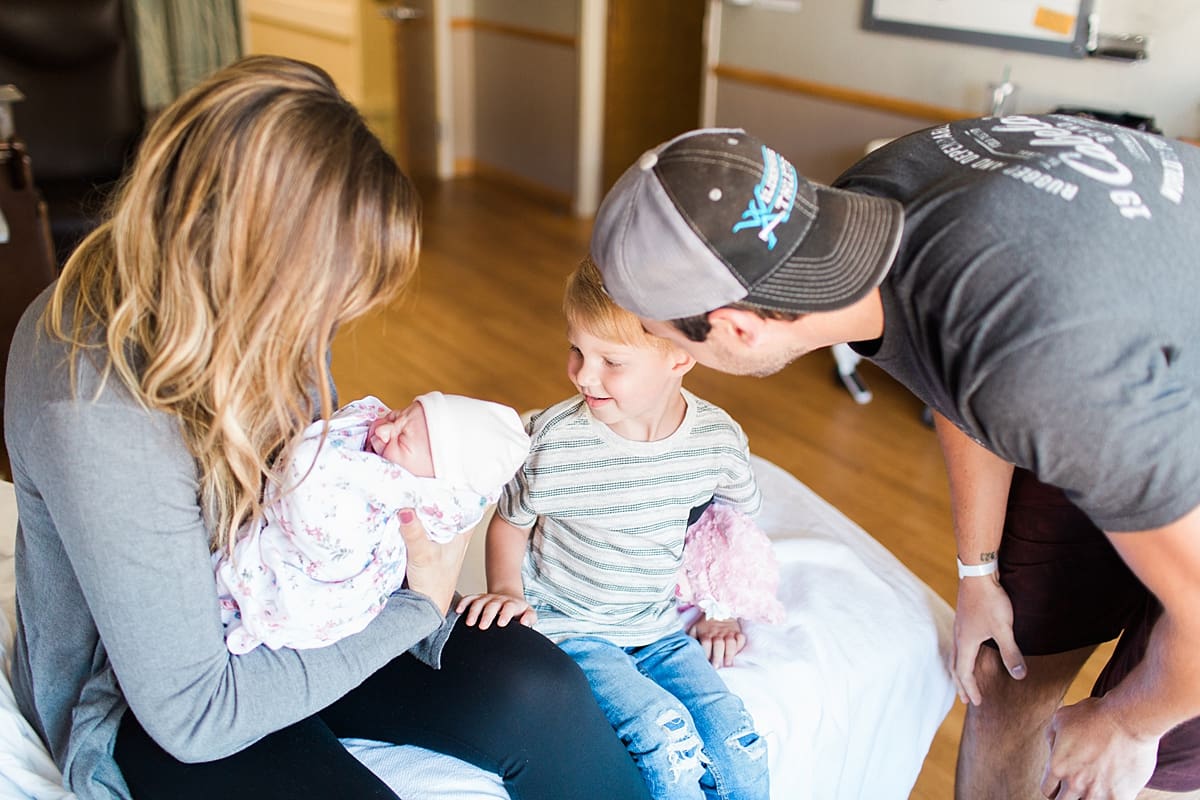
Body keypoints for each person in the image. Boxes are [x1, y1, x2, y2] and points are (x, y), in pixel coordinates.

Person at [2, 55, 652, 800]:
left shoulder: (250, 318)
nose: (330, 328)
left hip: (300, 605)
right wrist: (416, 608)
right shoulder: (93, 402)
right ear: (247, 263)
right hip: (162, 700)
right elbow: (193, 713)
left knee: (540, 688)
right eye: (327, 300)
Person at [587, 120, 1200, 800]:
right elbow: (954, 366)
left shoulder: (1041, 366)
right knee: (1006, 669)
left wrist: (1130, 724)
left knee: (1147, 763)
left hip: (1123, 361)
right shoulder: (865, 210)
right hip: (1114, 337)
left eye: (674, 344)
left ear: (736, 327)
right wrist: (978, 571)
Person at [458, 257, 772, 800]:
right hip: (573, 629)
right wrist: (508, 592)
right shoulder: (551, 438)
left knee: (741, 743)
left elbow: (729, 524)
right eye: (577, 350)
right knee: (662, 735)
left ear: (682, 354)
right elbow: (509, 524)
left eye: (611, 360)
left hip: (657, 629)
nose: (583, 374)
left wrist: (721, 611)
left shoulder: (717, 442)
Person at [215, 392, 530, 654]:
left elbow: (307, 489)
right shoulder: (371, 440)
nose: (381, 431)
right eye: (396, 416)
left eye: (402, 441)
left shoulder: (409, 498)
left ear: (435, 484)